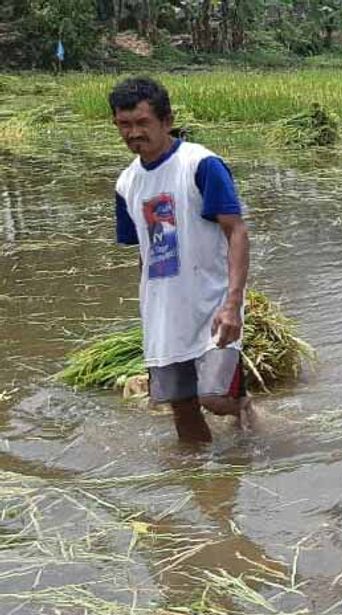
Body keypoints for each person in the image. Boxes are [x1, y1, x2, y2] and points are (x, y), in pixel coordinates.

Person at [111, 76, 253, 442]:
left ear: (166, 120)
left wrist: (234, 303)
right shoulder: (126, 184)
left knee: (215, 397)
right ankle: (205, 486)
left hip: (212, 304)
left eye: (142, 123)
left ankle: (245, 407)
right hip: (164, 314)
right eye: (124, 125)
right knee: (183, 412)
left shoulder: (201, 165)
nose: (133, 133)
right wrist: (147, 311)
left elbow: (236, 230)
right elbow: (146, 252)